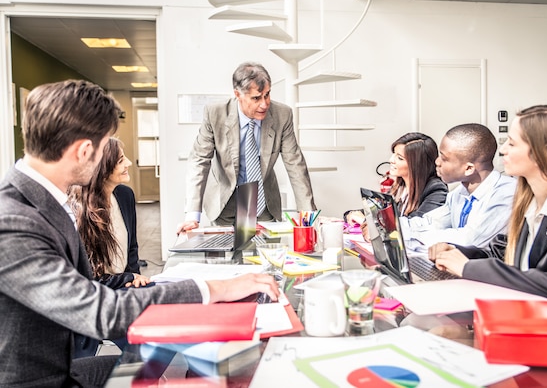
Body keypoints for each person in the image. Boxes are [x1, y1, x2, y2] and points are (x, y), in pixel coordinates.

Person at [0, 79, 279, 387]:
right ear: (84, 150)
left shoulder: (46, 198)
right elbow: (100, 310)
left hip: (64, 365)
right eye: (107, 145)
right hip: (42, 380)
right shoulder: (12, 222)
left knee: (164, 360)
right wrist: (215, 288)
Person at [430, 105, 547, 300]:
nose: (502, 149)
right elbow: (500, 251)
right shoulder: (528, 200)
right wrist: (455, 251)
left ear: (542, 153)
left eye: (512, 143)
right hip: (527, 312)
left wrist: (467, 268)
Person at [177, 62, 316, 230]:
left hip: (262, 201)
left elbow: (295, 163)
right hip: (224, 200)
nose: (264, 104)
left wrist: (308, 215)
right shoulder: (215, 114)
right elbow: (199, 161)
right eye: (256, 98)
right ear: (238, 94)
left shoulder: (282, 115)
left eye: (267, 95)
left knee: (265, 253)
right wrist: (192, 215)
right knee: (226, 254)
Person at [399, 123, 517, 251]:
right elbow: (430, 223)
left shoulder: (505, 194)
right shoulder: (460, 193)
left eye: (444, 158)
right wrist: (391, 225)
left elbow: (469, 240)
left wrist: (414, 236)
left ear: (469, 168)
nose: (437, 162)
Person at [69, 137, 149, 290]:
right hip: (98, 292)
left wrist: (137, 282)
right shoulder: (79, 210)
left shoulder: (126, 195)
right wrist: (129, 278)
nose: (129, 163)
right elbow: (88, 278)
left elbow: (132, 249)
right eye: (120, 161)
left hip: (126, 285)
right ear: (102, 169)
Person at [346, 132, 448, 227]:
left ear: (417, 165)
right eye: (393, 154)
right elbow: (378, 212)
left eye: (399, 158)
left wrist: (366, 221)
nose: (391, 160)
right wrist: (351, 214)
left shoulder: (436, 190)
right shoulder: (399, 187)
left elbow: (414, 225)